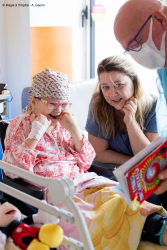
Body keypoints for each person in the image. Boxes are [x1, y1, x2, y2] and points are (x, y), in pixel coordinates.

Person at [3, 67, 167, 249]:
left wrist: (74, 130)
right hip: (56, 190)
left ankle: (160, 229)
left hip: (85, 181)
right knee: (89, 217)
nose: (59, 110)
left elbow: (87, 161)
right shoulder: (19, 125)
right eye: (52, 104)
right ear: (34, 102)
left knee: (123, 198)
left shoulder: (65, 122)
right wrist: (35, 133)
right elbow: (11, 169)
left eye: (64, 104)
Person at [113, 0, 167, 195]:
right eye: (129, 50)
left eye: (136, 44)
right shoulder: (164, 71)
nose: (136, 56)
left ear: (160, 20)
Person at [85, 55, 159, 166]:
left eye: (119, 85)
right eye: (105, 87)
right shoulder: (97, 103)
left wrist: (130, 122)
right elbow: (98, 153)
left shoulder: (153, 105)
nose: (112, 94)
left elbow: (150, 159)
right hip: (112, 171)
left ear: (134, 82)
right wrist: (132, 164)